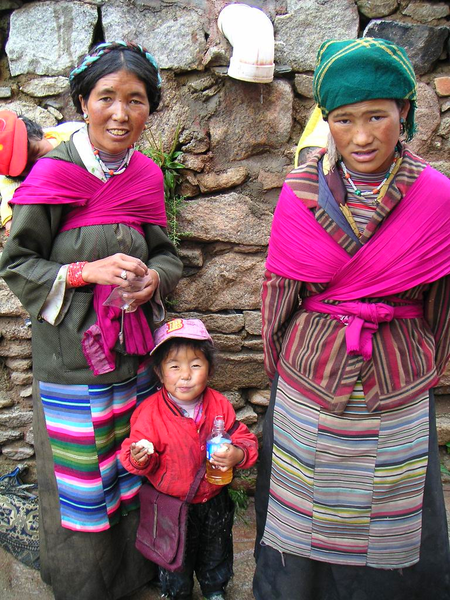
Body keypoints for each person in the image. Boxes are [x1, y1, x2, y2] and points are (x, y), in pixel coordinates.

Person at [253, 38, 450, 600]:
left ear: (405, 113)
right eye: (344, 119)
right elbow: (279, 298)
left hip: (396, 379)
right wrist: (290, 368)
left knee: (394, 514)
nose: (361, 136)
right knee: (302, 515)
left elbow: (442, 307)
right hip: (311, 379)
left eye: (377, 116)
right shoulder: (299, 195)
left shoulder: (436, 198)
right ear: (326, 121)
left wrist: (418, 361)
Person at [0, 41, 183, 600]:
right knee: (83, 486)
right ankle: (84, 587)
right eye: (106, 98)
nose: (121, 114)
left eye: (136, 100)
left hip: (133, 358)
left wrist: (154, 280)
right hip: (72, 364)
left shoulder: (145, 177)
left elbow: (165, 253)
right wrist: (85, 271)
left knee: (134, 468)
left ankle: (136, 576)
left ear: (150, 107)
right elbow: (17, 262)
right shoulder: (55, 175)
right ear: (84, 101)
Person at [120, 317, 258, 600]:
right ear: (159, 372)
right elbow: (134, 456)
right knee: (174, 562)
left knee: (216, 551)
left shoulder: (218, 404)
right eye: (174, 366)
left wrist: (238, 453)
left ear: (209, 370)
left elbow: (243, 437)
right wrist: (140, 457)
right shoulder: (149, 413)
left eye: (195, 365)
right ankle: (176, 593)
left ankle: (214, 590)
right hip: (172, 504)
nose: (186, 375)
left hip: (214, 498)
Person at [0, 110, 82, 232]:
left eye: (37, 152)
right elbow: (9, 204)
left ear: (40, 132)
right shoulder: (10, 180)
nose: (40, 164)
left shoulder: (76, 133)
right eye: (28, 168)